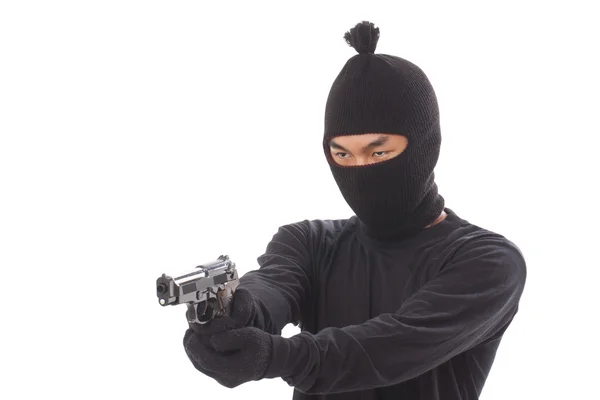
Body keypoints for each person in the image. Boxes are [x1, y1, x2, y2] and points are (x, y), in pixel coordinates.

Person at [182, 20, 527, 400]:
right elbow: (273, 287)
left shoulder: (488, 262)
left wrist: (275, 357)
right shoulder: (308, 242)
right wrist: (237, 315)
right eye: (342, 154)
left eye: (379, 152)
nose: (361, 169)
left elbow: (391, 347)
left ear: (426, 146)